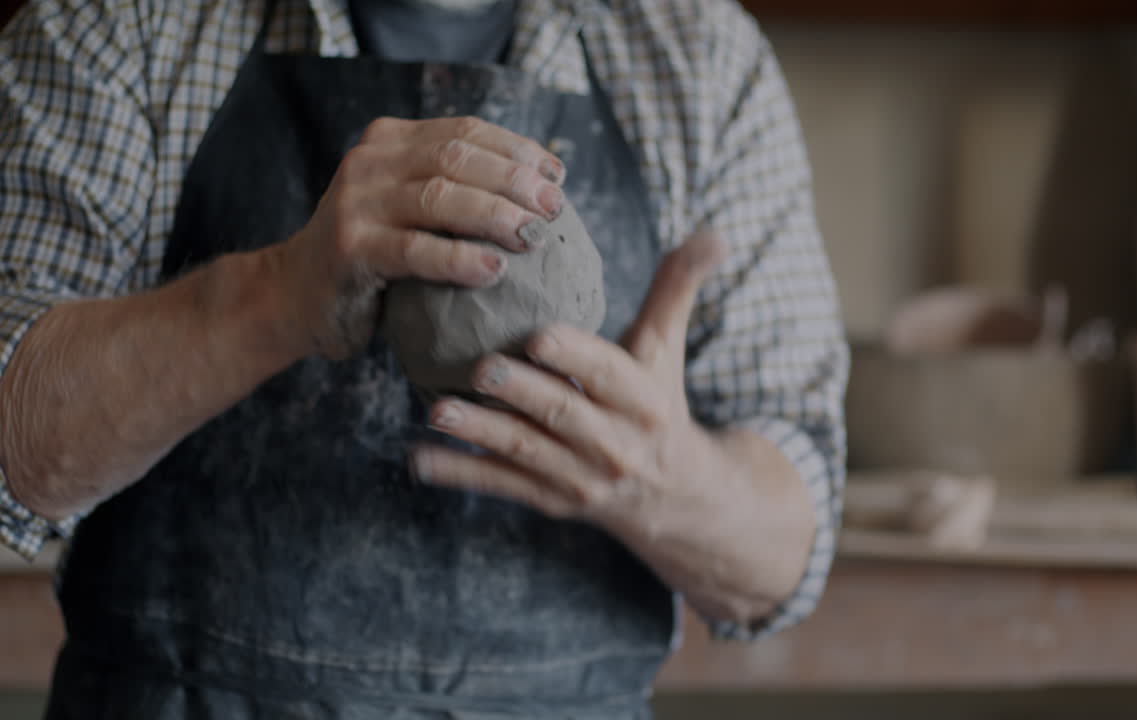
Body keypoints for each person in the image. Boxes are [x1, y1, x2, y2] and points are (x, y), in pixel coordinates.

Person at [0, 0, 849, 716]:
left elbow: (781, 562)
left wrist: (669, 479)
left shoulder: (696, 56)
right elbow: (11, 449)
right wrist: (272, 297)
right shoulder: (121, 25)